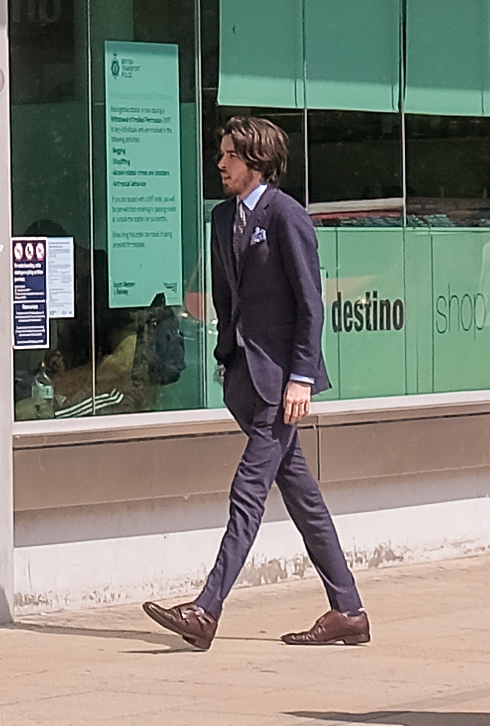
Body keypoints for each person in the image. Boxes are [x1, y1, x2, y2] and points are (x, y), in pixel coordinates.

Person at [150, 115, 364, 650]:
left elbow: (310, 305)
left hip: (281, 384)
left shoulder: (287, 216)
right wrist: (226, 357)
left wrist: (301, 377)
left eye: (229, 155)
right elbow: (228, 298)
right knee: (303, 497)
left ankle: (205, 610)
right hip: (245, 376)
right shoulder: (223, 218)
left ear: (257, 162)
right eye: (220, 154)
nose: (219, 163)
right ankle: (349, 611)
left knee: (248, 492)